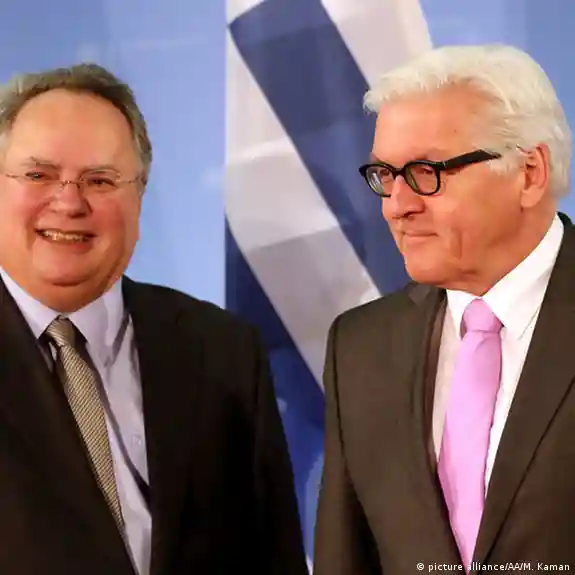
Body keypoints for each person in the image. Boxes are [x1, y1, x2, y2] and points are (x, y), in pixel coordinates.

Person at [0, 63, 307, 575]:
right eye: (38, 175)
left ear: (139, 194)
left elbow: (272, 556)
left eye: (100, 180)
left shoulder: (222, 350)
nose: (69, 202)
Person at [314, 44, 575, 574]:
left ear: (529, 173)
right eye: (386, 176)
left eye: (425, 172)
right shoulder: (360, 347)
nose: (397, 206)